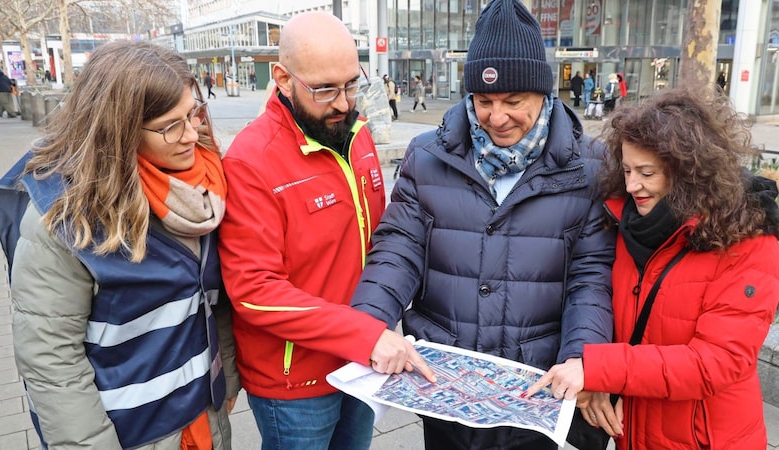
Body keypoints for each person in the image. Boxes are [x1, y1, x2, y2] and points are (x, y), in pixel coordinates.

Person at [351, 0, 615, 448]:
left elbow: (592, 277)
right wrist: (367, 326)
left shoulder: (588, 166)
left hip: (535, 384)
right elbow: (398, 248)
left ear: (545, 94)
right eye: (484, 100)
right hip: (443, 382)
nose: (496, 117)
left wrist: (581, 358)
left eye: (514, 101)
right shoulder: (429, 155)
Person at [0, 40, 240, 449]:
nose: (192, 134)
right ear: (117, 128)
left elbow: (210, 302)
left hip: (203, 418)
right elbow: (52, 363)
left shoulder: (203, 190)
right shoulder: (60, 218)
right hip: (131, 434)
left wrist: (224, 380)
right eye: (170, 125)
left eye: (193, 112)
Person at [218, 11, 435, 450]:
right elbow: (255, 291)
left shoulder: (357, 136)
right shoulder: (251, 160)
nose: (342, 103)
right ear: (282, 78)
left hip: (362, 362)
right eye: (323, 89)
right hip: (295, 383)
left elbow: (382, 238)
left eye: (352, 84)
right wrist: (365, 335)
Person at [526, 88, 779, 450]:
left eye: (647, 172)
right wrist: (598, 382)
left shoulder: (748, 241)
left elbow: (717, 362)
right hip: (637, 432)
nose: (632, 186)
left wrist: (599, 369)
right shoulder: (629, 226)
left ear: (689, 173)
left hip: (707, 439)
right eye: (627, 170)